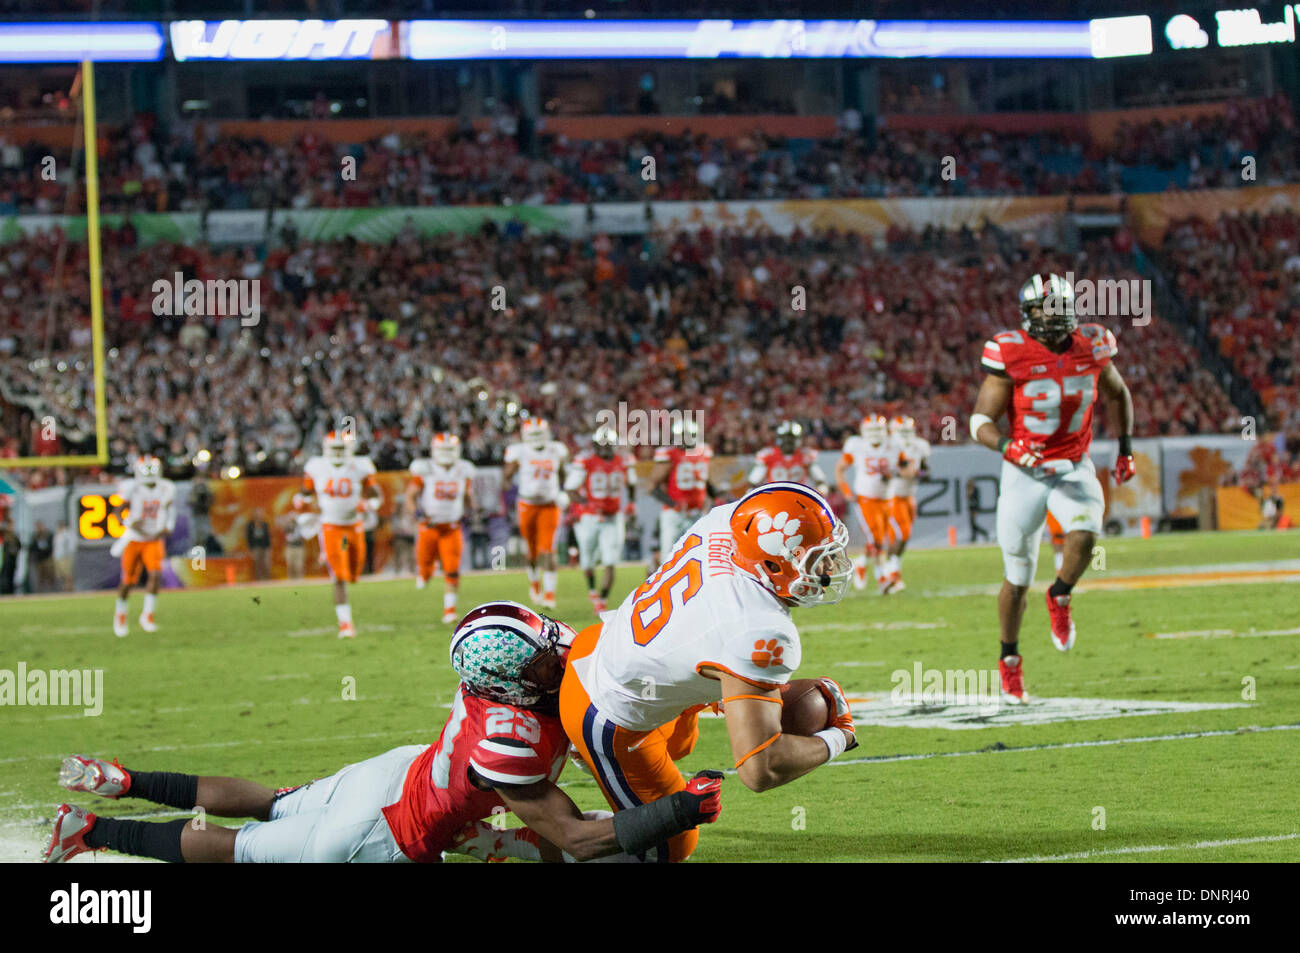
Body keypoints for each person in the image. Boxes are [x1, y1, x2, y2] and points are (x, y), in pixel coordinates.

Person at [45, 601, 724, 864]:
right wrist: (679, 809)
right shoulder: (509, 741)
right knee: (242, 849)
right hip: (381, 832)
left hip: (402, 774)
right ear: (519, 680)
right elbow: (574, 834)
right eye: (547, 649)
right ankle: (92, 830)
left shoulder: (501, 684)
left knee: (275, 800)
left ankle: (126, 780)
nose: (559, 643)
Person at [551, 483, 858, 863]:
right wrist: (839, 737)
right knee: (668, 848)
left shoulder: (728, 520)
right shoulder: (758, 627)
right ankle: (502, 841)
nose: (829, 568)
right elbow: (760, 768)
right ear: (774, 564)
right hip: (605, 706)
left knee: (682, 745)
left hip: (604, 642)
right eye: (816, 560)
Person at [969, 272, 1135, 702]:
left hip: (1073, 463)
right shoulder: (1010, 352)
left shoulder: (1093, 345)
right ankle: (1010, 659)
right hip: (1025, 471)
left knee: (1085, 531)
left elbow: (1119, 394)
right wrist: (1009, 447)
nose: (1054, 313)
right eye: (1045, 307)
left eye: (1060, 304)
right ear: (1029, 313)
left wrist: (1125, 449)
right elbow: (979, 422)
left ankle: (1060, 594)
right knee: (1018, 576)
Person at [294, 430, 381, 638]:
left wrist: (368, 504)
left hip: (354, 525)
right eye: (335, 449)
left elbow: (375, 495)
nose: (338, 453)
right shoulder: (317, 467)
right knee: (339, 577)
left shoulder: (361, 466)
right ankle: (346, 624)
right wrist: (301, 505)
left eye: (342, 449)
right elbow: (304, 493)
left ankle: (345, 616)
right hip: (330, 527)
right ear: (326, 449)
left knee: (354, 572)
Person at [565, 424, 636, 614]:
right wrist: (587, 503)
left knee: (610, 560)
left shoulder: (624, 460)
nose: (604, 449)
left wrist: (632, 503)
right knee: (587, 561)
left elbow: (632, 484)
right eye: (601, 445)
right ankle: (591, 588)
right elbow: (571, 489)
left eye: (608, 445)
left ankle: (602, 599)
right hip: (590, 517)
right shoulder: (585, 461)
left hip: (613, 517)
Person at [408, 432, 476, 623]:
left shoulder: (464, 470)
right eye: (443, 449)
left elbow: (468, 496)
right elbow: (410, 495)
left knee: (453, 568)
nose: (447, 453)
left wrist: (473, 510)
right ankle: (425, 572)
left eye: (450, 449)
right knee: (425, 564)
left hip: (452, 527)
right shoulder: (426, 469)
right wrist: (417, 513)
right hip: (429, 526)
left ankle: (449, 610)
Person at [501, 417, 568, 609]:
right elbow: (506, 476)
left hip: (550, 504)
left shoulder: (556, 450)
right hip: (527, 504)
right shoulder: (519, 452)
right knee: (531, 552)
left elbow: (562, 472)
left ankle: (549, 594)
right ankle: (534, 581)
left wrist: (562, 489)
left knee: (548, 548)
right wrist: (508, 491)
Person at [112, 455, 176, 637]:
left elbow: (170, 508)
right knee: (127, 582)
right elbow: (117, 512)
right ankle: (120, 615)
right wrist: (128, 523)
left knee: (155, 576)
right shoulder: (132, 488)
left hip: (154, 539)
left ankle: (147, 616)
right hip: (134, 539)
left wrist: (168, 526)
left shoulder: (166, 488)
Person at [836, 413, 898, 593]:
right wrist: (847, 492)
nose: (875, 433)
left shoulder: (893, 445)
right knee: (877, 540)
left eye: (878, 429)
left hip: (887, 498)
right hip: (866, 499)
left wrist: (897, 473)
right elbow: (839, 469)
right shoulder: (857, 446)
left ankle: (861, 563)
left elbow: (903, 466)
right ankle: (883, 578)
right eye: (872, 430)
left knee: (879, 539)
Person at [646, 417, 713, 574]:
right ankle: (654, 584)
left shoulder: (704, 451)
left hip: (696, 513)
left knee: (699, 553)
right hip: (674, 514)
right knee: (668, 557)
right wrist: (673, 503)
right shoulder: (670, 454)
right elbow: (652, 487)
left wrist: (712, 497)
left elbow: (706, 481)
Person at [884, 414, 931, 593]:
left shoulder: (919, 446)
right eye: (901, 431)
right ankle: (890, 572)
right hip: (893, 496)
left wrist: (918, 473)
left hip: (910, 496)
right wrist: (908, 472)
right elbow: (892, 472)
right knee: (901, 534)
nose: (905, 435)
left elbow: (927, 472)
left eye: (907, 431)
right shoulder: (889, 448)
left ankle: (894, 572)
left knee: (904, 537)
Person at [748, 420, 828, 495]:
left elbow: (820, 482)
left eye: (791, 438)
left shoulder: (806, 456)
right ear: (779, 439)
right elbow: (753, 483)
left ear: (797, 440)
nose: (788, 441)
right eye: (785, 438)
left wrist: (818, 494)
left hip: (799, 499)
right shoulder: (768, 455)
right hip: (774, 499)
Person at [246, 508, 272, 581]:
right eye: (258, 513)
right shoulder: (250, 525)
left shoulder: (265, 524)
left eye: (260, 513)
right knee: (257, 565)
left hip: (265, 547)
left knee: (266, 564)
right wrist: (250, 548)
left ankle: (266, 580)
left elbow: (268, 536)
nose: (259, 515)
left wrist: (269, 548)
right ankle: (258, 580)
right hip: (255, 547)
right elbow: (248, 537)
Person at [30, 522, 55, 593]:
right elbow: (32, 547)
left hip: (47, 559)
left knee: (50, 576)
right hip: (39, 560)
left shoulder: (48, 535)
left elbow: (51, 546)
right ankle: (40, 592)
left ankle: (52, 591)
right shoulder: (35, 536)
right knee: (40, 578)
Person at [53, 521, 76, 591]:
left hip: (65, 557)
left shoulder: (67, 534)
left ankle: (70, 588)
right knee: (61, 575)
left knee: (67, 574)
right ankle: (65, 588)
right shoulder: (57, 533)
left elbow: (71, 545)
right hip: (57, 557)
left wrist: (68, 555)